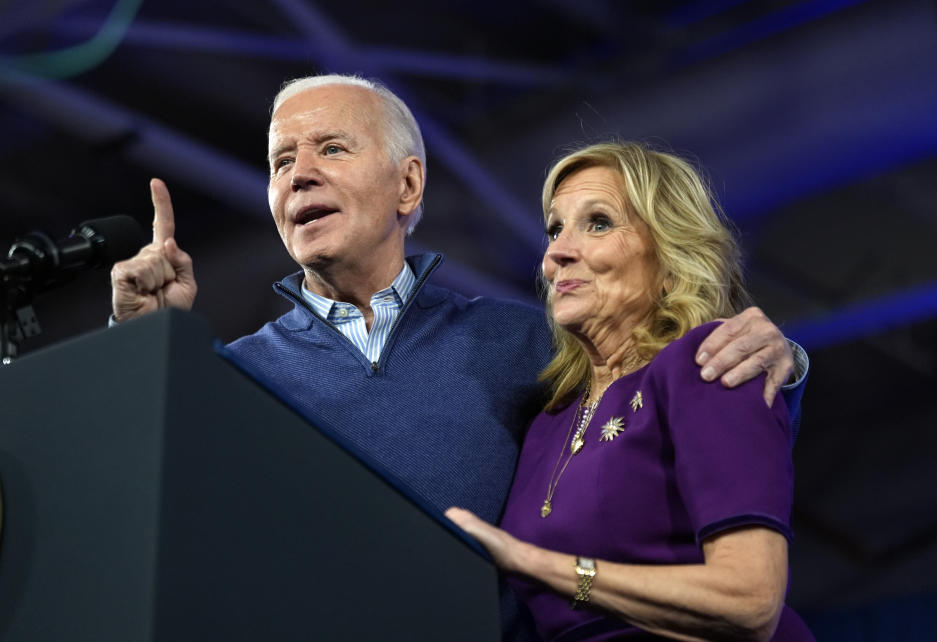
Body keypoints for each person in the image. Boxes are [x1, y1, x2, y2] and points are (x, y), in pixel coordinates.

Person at [110, 75, 807, 636]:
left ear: (407, 186)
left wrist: (783, 359)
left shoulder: (529, 344)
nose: (299, 175)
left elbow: (676, 392)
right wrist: (145, 353)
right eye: (281, 161)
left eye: (330, 149)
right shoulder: (234, 377)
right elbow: (140, 520)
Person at [446, 142, 814, 641]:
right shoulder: (548, 421)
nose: (557, 252)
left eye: (598, 222)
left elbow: (750, 603)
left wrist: (535, 563)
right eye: (555, 228)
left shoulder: (706, 362)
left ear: (669, 258)